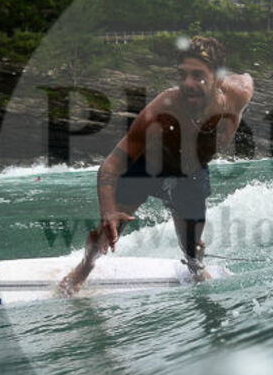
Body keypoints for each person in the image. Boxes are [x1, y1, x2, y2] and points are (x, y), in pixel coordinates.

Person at [59, 36, 253, 295]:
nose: (188, 84)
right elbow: (110, 166)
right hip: (145, 169)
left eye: (198, 75)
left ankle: (195, 268)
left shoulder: (238, 95)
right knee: (106, 232)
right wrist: (108, 212)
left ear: (218, 78)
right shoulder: (164, 107)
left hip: (190, 173)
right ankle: (81, 271)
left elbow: (246, 77)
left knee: (192, 245)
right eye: (182, 75)